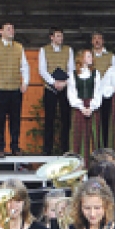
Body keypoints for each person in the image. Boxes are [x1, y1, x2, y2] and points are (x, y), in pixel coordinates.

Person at [0, 22, 30, 156]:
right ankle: (0, 147)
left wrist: (25, 82)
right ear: (1, 31)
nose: (11, 31)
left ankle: (15, 146)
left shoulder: (19, 47)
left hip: (15, 88)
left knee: (15, 119)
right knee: (0, 119)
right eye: (8, 29)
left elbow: (24, 66)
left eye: (12, 29)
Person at [38, 27, 73, 155]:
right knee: (49, 119)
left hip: (65, 87)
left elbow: (71, 68)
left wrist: (64, 83)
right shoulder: (44, 50)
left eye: (61, 36)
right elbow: (42, 69)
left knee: (65, 119)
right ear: (51, 37)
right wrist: (53, 82)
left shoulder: (68, 50)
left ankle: (65, 148)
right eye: (58, 36)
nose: (60, 38)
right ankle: (47, 149)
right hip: (50, 88)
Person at [67, 49, 103, 161]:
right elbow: (71, 93)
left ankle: (93, 163)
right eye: (88, 56)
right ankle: (78, 162)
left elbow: (98, 91)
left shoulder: (95, 73)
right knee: (78, 135)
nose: (91, 58)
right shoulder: (73, 74)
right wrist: (81, 107)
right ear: (81, 58)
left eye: (91, 56)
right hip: (79, 108)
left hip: (92, 106)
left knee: (92, 135)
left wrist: (91, 107)